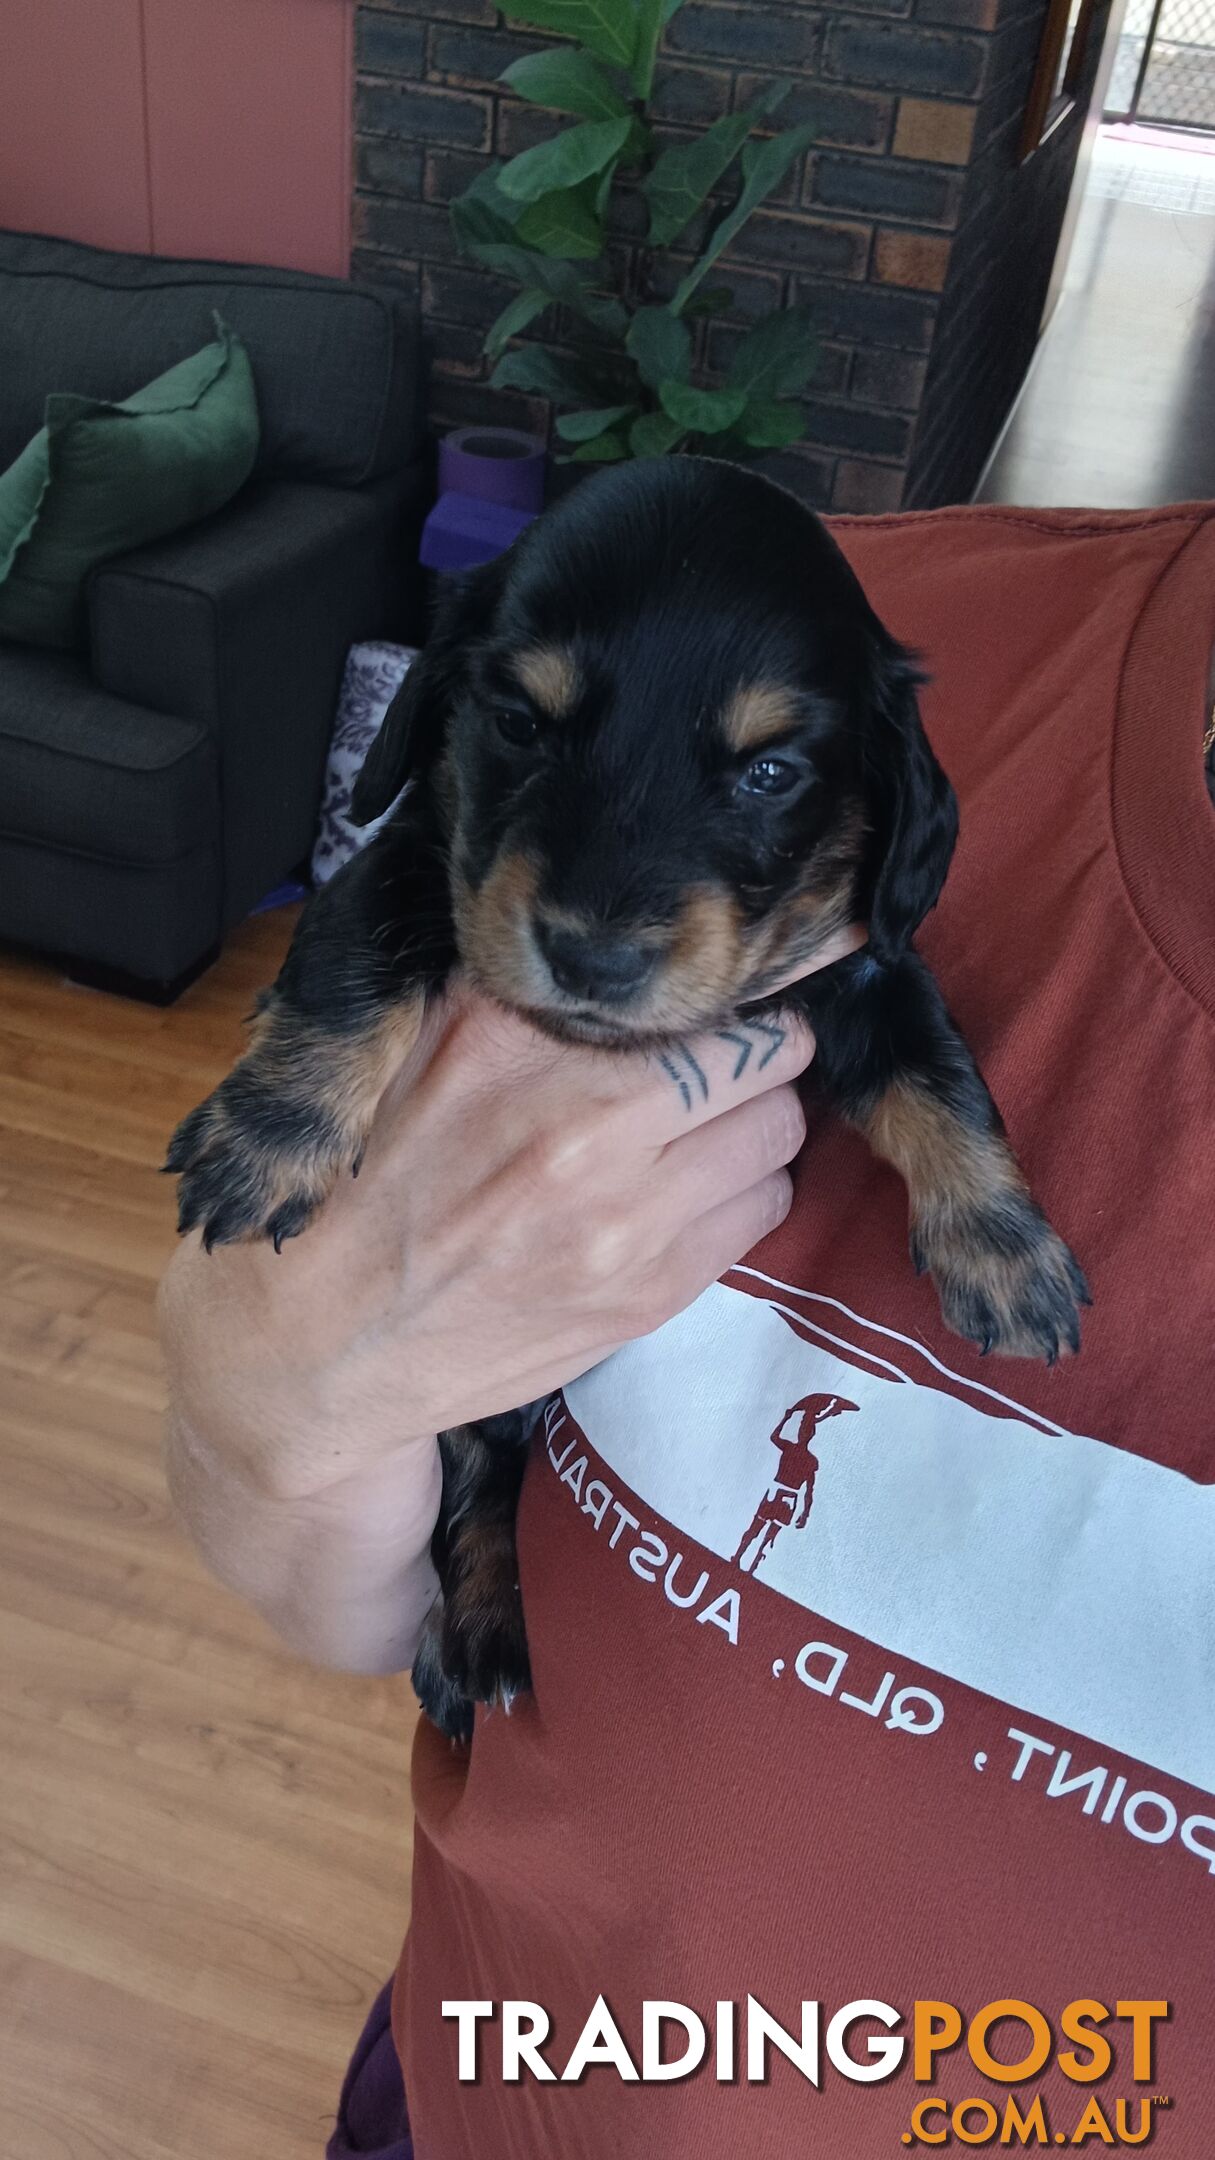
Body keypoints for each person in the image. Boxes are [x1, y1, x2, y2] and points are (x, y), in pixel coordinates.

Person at [162, 503, 1215, 2158]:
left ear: (878, 808)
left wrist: (976, 1200)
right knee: (489, 1449)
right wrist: (269, 1357)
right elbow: (381, 910)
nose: (602, 914)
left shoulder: (862, 800)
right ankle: (485, 1553)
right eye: (519, 720)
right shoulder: (943, 597)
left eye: (767, 773)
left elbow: (890, 1019)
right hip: (477, 2071)